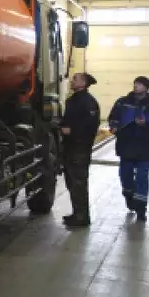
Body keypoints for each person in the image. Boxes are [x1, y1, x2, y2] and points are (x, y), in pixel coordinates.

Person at [108, 76, 149, 222]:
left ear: (146, 88)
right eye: (135, 84)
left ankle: (141, 209)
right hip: (125, 145)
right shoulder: (122, 103)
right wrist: (114, 126)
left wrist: (146, 124)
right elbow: (113, 117)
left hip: (144, 148)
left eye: (139, 84)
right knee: (125, 175)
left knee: (142, 178)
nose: (136, 86)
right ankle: (129, 195)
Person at [60, 72, 101, 228]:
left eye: (75, 79)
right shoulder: (73, 100)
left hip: (80, 148)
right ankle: (77, 213)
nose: (72, 81)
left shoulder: (88, 102)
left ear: (83, 83)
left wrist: (72, 131)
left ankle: (82, 217)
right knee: (71, 182)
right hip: (70, 146)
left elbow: (91, 125)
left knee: (79, 182)